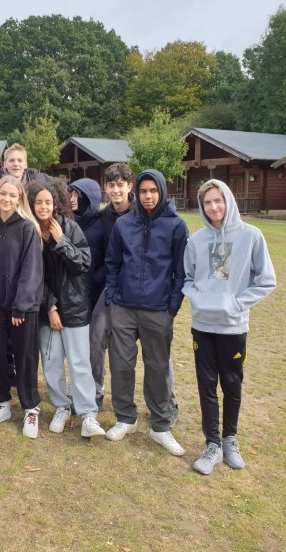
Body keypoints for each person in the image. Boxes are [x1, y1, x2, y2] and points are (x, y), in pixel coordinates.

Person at [183, 179, 276, 475]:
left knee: (232, 385)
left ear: (229, 201)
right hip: (203, 327)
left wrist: (235, 304)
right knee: (206, 385)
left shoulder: (251, 236)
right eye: (208, 202)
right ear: (202, 206)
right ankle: (212, 444)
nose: (214, 207)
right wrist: (199, 301)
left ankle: (229, 439)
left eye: (218, 200)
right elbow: (186, 280)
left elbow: (266, 280)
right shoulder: (196, 241)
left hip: (234, 327)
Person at [104, 169, 188, 456]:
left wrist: (172, 305)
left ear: (162, 191)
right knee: (121, 364)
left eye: (153, 191)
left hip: (158, 309)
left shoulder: (176, 226)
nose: (148, 196)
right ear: (135, 193)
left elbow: (181, 271)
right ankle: (125, 418)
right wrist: (114, 298)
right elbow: (112, 263)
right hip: (124, 308)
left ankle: (161, 426)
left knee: (158, 367)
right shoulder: (124, 224)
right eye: (143, 191)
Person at [29, 179, 106, 438]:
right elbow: (32, 276)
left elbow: (83, 263)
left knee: (79, 362)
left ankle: (87, 414)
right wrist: (49, 307)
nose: (43, 206)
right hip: (46, 310)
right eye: (38, 202)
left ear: (56, 204)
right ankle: (61, 406)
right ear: (32, 204)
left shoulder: (69, 228)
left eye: (47, 202)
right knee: (51, 362)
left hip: (75, 307)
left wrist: (62, 242)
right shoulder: (28, 231)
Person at [0, 175, 44, 438]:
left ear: (20, 199)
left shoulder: (27, 228)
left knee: (25, 356)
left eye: (13, 195)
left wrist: (20, 307)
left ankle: (30, 407)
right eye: (3, 194)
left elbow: (31, 271)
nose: (7, 199)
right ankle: (1, 403)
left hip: (22, 307)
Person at [68, 177, 109, 409]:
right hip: (74, 294)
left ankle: (96, 390)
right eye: (71, 194)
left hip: (96, 292)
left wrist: (95, 281)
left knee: (95, 343)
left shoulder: (103, 224)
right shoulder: (70, 222)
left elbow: (108, 259)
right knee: (77, 345)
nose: (72, 198)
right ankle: (79, 386)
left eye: (78, 195)